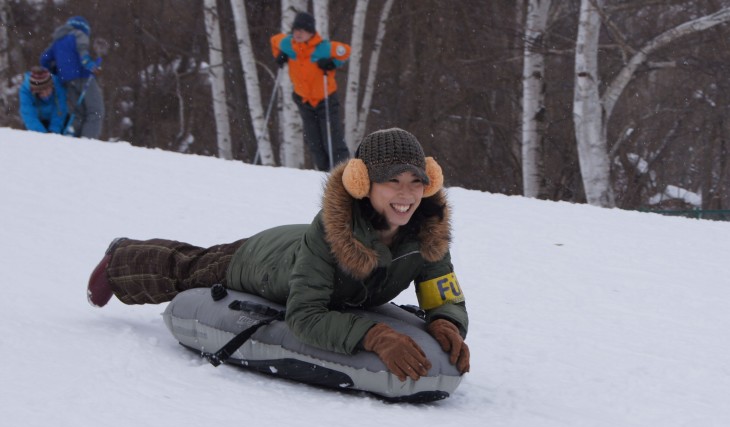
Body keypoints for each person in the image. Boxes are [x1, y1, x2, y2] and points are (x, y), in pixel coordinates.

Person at [87, 128, 470, 381]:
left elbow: (442, 290)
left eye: (416, 182)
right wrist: (372, 336)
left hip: (301, 250)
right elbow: (304, 315)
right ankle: (121, 259)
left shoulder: (427, 231)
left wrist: (447, 324)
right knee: (188, 269)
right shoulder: (331, 232)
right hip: (265, 261)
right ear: (362, 183)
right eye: (393, 181)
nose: (407, 195)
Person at [271, 12, 351, 171]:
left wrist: (332, 62)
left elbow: (346, 51)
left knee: (332, 139)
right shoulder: (287, 44)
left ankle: (344, 174)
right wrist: (279, 55)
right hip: (304, 101)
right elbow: (274, 41)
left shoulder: (324, 47)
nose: (298, 34)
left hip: (326, 99)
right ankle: (323, 174)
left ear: (311, 32)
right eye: (296, 30)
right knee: (314, 142)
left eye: (303, 30)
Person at [40, 16, 104, 139]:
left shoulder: (57, 40)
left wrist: (57, 71)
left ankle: (72, 136)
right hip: (83, 77)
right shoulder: (79, 34)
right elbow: (83, 54)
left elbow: (44, 59)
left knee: (78, 113)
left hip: (66, 81)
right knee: (95, 111)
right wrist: (91, 65)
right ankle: (88, 142)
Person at [18, 66, 68, 134]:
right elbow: (29, 116)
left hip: (55, 121)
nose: (45, 94)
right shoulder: (25, 91)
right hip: (37, 122)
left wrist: (54, 131)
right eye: (41, 92)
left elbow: (60, 110)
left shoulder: (57, 85)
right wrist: (43, 136)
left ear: (51, 86)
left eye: (47, 90)